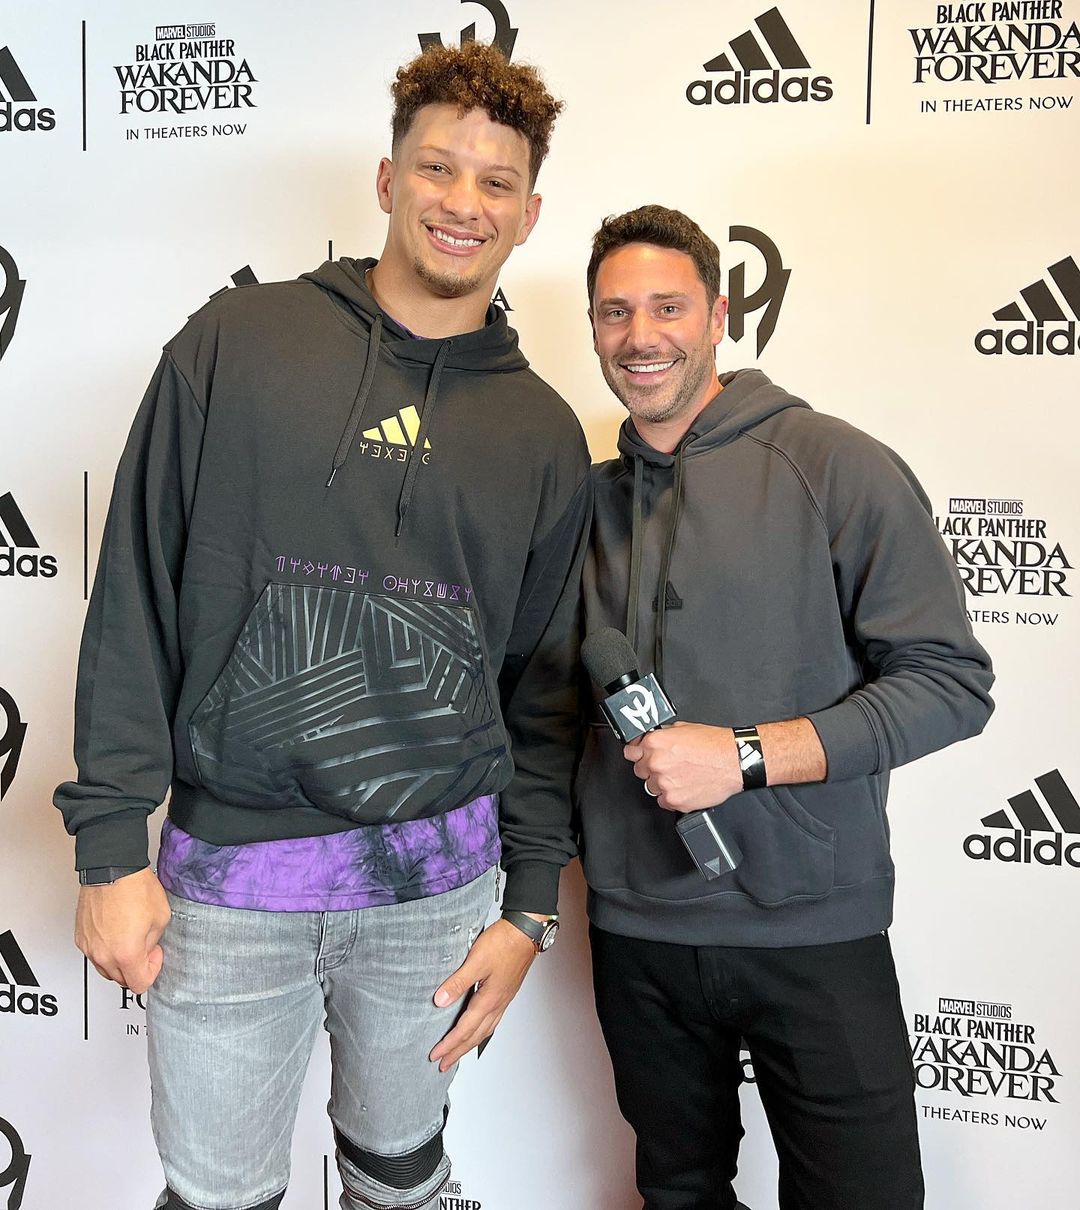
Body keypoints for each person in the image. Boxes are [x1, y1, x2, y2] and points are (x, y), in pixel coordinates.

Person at [54, 42, 590, 1210]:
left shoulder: (545, 434)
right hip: (230, 882)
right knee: (217, 1196)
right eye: (438, 168)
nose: (463, 201)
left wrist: (530, 906)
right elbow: (137, 591)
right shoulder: (235, 344)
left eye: (496, 182)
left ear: (529, 213)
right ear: (390, 179)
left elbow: (542, 693)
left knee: (403, 1178)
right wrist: (110, 847)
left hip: (435, 891)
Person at [576, 205, 994, 1210]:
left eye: (668, 306)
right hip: (638, 930)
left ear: (719, 315)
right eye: (615, 312)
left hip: (815, 927)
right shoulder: (584, 502)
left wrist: (746, 754)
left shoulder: (832, 463)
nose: (641, 335)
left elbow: (950, 681)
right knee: (677, 1192)